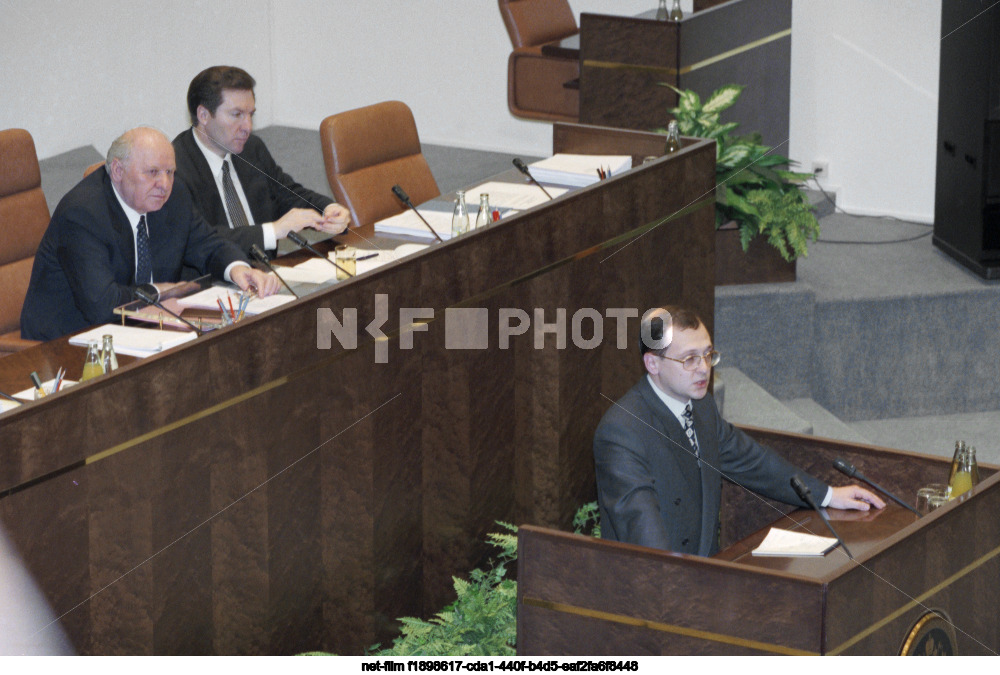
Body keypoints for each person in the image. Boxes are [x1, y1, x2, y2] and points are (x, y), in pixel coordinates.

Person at [593, 306, 885, 556]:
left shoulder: (702, 407)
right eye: (689, 358)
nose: (703, 368)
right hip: (657, 593)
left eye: (708, 355)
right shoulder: (623, 432)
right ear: (652, 363)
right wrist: (680, 590)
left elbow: (752, 462)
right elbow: (642, 531)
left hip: (702, 576)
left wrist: (827, 495)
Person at [20, 127, 280, 341]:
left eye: (170, 172)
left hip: (148, 328)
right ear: (118, 171)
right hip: (70, 341)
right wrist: (159, 293)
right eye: (153, 173)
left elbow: (207, 243)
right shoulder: (82, 214)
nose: (164, 184)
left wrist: (237, 269)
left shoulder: (174, 195)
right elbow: (102, 304)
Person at [172, 65, 350, 258]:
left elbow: (288, 194)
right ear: (203, 115)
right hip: (214, 282)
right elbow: (198, 241)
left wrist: (328, 210)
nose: (247, 127)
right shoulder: (173, 168)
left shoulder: (251, 149)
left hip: (268, 275)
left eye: (251, 115)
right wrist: (274, 231)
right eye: (237, 115)